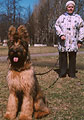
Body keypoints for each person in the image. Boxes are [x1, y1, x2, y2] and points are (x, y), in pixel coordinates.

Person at [55, 1, 84, 78]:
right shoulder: (61, 17)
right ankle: (62, 73)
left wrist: (80, 40)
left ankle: (72, 73)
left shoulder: (78, 18)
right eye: (69, 7)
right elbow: (56, 26)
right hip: (63, 42)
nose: (70, 8)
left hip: (73, 42)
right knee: (63, 57)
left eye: (72, 7)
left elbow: (82, 29)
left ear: (74, 8)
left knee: (72, 58)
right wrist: (61, 34)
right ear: (66, 8)